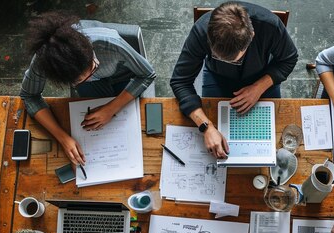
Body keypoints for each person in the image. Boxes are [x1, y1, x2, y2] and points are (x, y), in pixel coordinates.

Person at [20, 11, 156, 165]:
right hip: (91, 89)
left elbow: (148, 74)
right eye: (79, 80)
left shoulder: (110, 42)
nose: (89, 77)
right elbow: (29, 96)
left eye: (93, 68)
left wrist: (110, 109)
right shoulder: (43, 61)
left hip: (124, 77)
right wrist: (63, 138)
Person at [170, 1, 298, 159]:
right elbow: (180, 81)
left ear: (251, 36)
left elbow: (289, 59)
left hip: (263, 77)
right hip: (217, 77)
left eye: (235, 60)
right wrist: (206, 126)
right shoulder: (200, 31)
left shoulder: (271, 26)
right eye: (219, 57)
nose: (229, 63)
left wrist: (259, 87)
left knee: (271, 140)